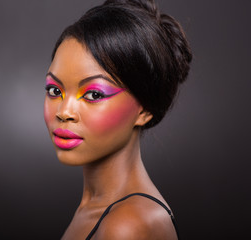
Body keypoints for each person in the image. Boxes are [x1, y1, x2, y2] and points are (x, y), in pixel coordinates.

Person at [44, 0, 192, 239]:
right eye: (55, 91)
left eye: (93, 94)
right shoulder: (98, 208)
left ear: (144, 110)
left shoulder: (128, 225)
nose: (64, 111)